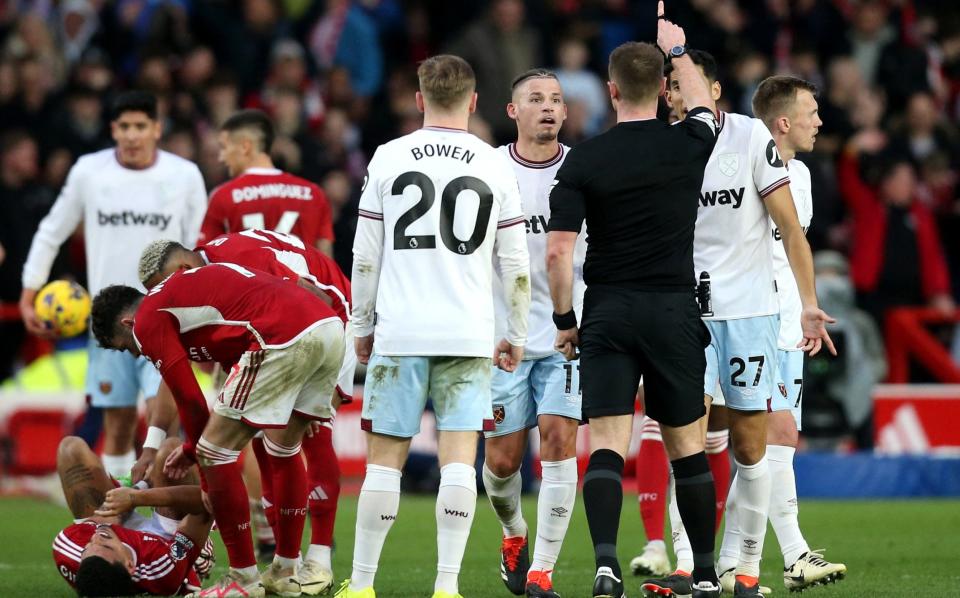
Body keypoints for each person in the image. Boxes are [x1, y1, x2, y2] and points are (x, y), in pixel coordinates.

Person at [339, 54, 531, 598]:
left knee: (384, 462)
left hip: (400, 329)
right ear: (473, 102)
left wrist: (362, 322)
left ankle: (362, 584)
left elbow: (366, 252)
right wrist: (515, 333)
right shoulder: (495, 163)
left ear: (419, 100)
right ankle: (446, 586)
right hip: (468, 332)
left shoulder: (388, 155)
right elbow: (515, 263)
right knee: (457, 459)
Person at [546, 5, 722, 596]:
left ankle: (604, 566)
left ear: (611, 90)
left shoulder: (585, 159)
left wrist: (566, 320)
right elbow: (705, 108)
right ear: (665, 89)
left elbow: (558, 253)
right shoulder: (689, 143)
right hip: (672, 309)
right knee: (686, 448)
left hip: (610, 311)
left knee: (607, 444)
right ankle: (701, 572)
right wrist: (677, 50)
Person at [646, 49, 835, 598]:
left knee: (752, 449)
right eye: (671, 86)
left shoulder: (750, 139)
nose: (678, 94)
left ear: (713, 90)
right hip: (685, 315)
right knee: (691, 440)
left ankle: (745, 570)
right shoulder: (660, 149)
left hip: (751, 315)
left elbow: (792, 232)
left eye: (687, 83)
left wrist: (806, 302)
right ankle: (691, 567)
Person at [90, 261, 345, 598]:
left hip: (280, 336)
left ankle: (243, 579)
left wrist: (204, 468)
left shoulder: (147, 318)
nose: (136, 352)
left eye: (127, 346)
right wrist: (188, 449)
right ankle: (285, 570)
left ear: (127, 323)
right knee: (284, 448)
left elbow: (191, 400)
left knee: (214, 452)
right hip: (327, 328)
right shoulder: (180, 292)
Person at [19, 90, 207, 479]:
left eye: (141, 126)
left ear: (157, 129)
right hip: (107, 320)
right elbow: (53, 231)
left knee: (162, 417)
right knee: (118, 424)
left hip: (166, 315)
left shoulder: (184, 175)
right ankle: (124, 512)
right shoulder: (89, 171)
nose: (132, 135)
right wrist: (29, 291)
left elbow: (200, 246)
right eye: (125, 127)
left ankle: (158, 516)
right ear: (113, 130)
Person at [707, 74, 847, 594]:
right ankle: (791, 554)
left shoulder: (804, 176)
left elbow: (793, 249)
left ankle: (727, 561)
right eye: (811, 112)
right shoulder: (738, 165)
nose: (819, 121)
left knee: (770, 445)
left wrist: (807, 307)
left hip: (788, 323)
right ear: (783, 121)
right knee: (762, 438)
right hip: (747, 320)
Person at [481, 68, 585, 598]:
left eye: (557, 100)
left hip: (569, 334)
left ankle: (542, 570)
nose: (548, 107)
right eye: (536, 99)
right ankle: (513, 532)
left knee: (560, 441)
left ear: (565, 114)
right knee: (501, 461)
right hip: (504, 339)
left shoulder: (585, 170)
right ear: (512, 111)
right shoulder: (489, 168)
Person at [52, 435, 215, 597]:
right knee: (171, 450)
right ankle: (197, 556)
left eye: (87, 548)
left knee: (70, 449)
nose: (97, 537)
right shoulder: (160, 569)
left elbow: (106, 516)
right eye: (106, 546)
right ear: (130, 566)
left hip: (117, 523)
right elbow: (207, 500)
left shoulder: (71, 553)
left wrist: (137, 487)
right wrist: (138, 495)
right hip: (166, 539)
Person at [199, 109, 336, 256]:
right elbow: (326, 262)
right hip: (300, 278)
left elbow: (206, 261)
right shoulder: (313, 194)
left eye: (225, 147)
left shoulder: (223, 196)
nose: (222, 157)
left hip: (249, 279)